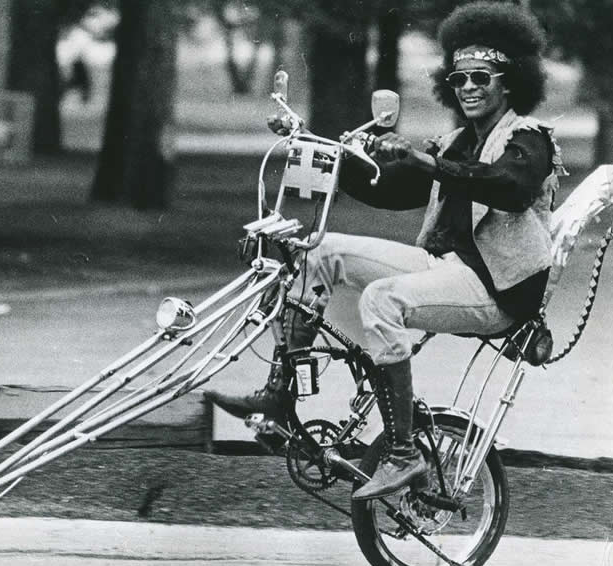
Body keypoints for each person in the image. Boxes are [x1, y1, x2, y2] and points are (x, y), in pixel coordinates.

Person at [205, 1, 566, 500]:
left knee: (381, 300)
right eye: (458, 79)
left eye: (481, 76)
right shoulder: (457, 143)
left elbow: (508, 188)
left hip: (498, 292)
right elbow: (390, 191)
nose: (469, 88)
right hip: (448, 269)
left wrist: (423, 161)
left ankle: (403, 453)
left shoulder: (529, 140)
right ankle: (280, 395)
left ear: (510, 81)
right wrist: (333, 153)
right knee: (316, 251)